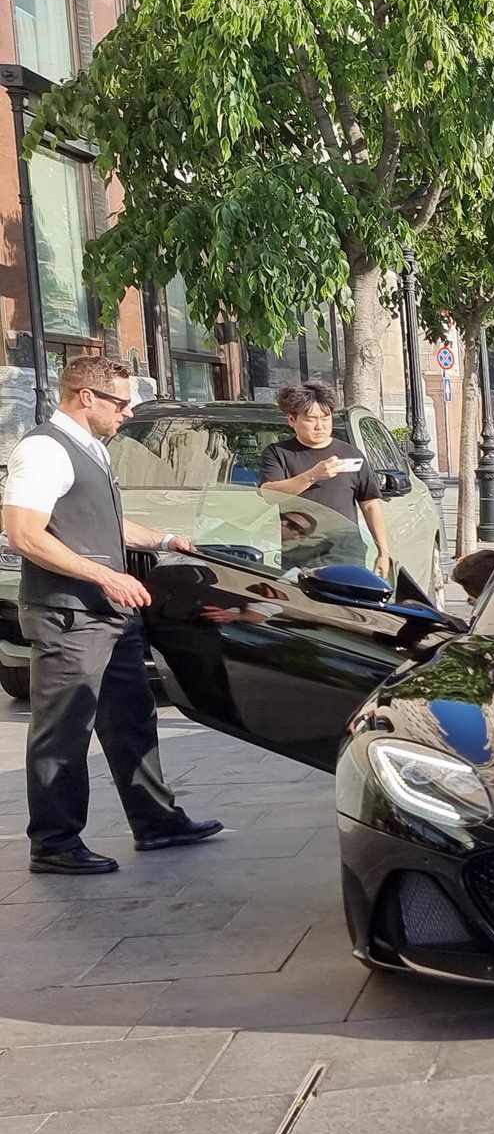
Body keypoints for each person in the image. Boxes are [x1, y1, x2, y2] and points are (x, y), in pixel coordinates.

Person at [3, 354, 221, 874]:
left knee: (130, 719)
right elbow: (25, 536)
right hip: (69, 615)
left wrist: (164, 539)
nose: (127, 412)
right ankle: (54, 843)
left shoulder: (90, 449)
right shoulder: (43, 450)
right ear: (86, 398)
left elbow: (102, 524)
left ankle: (158, 823)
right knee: (64, 730)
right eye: (121, 403)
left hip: (108, 613)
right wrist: (106, 576)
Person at [258, 381, 391, 571]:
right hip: (299, 554)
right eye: (311, 419)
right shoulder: (278, 453)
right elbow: (269, 494)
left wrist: (383, 553)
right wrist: (313, 475)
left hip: (345, 552)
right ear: (291, 420)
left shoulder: (351, 454)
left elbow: (370, 505)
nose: (320, 426)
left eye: (325, 418)